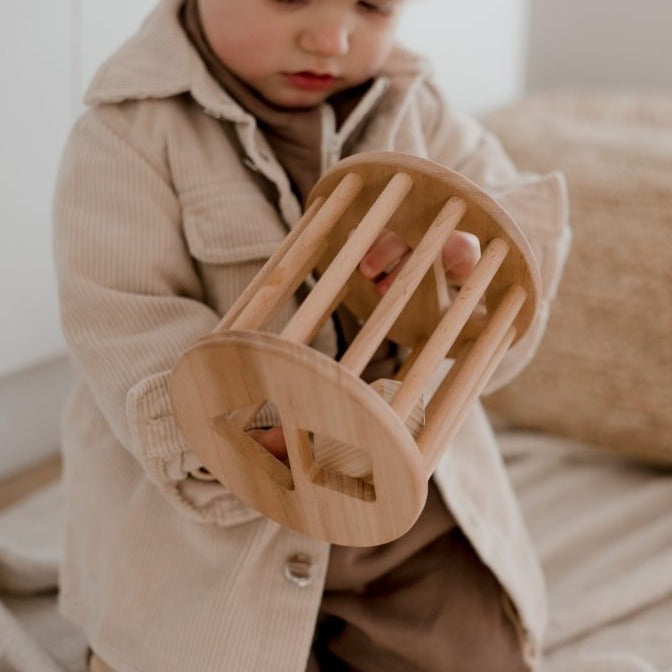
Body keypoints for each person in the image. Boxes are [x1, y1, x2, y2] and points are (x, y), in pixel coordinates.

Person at [53, 1, 570, 671]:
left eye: (373, 5)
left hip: (399, 518)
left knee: (485, 652)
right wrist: (247, 427)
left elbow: (513, 242)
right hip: (212, 534)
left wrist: (458, 277)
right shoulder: (126, 136)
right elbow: (123, 320)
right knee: (184, 643)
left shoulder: (420, 110)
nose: (330, 37)